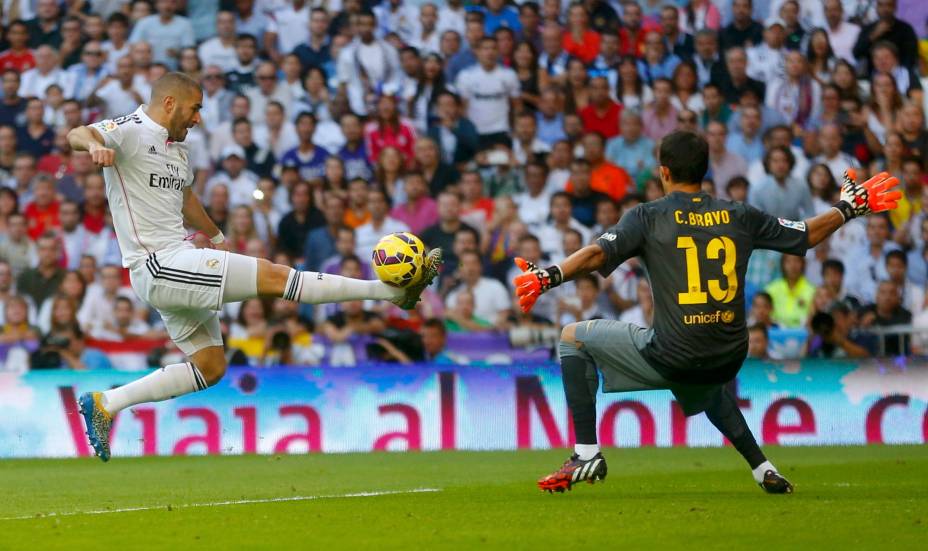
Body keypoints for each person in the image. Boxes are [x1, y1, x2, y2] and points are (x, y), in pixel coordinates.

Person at [66, 72, 441, 462]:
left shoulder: (176, 148)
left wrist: (213, 235)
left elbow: (185, 195)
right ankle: (391, 293)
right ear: (170, 103)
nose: (198, 119)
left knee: (210, 366)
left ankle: (105, 403)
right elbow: (77, 133)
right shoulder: (129, 130)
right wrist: (94, 146)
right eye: (195, 109)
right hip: (158, 263)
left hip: (176, 261)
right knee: (276, 277)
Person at [513, 130, 901, 494]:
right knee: (702, 377)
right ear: (705, 171)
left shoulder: (648, 216)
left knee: (572, 337)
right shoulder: (739, 214)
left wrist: (549, 276)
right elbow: (806, 233)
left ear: (664, 172)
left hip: (676, 351)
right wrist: (848, 207)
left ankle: (585, 454)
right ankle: (762, 467)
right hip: (728, 355)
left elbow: (598, 253)